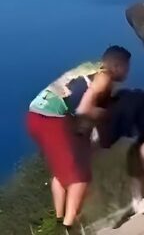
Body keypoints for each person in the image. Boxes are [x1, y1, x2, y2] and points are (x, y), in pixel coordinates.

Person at [26, 45, 131, 233]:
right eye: (126, 67)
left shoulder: (91, 67)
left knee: (63, 170)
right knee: (80, 177)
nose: (127, 72)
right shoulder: (104, 77)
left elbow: (76, 106)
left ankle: (59, 220)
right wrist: (105, 115)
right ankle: (68, 227)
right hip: (51, 119)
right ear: (117, 65)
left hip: (36, 115)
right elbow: (84, 110)